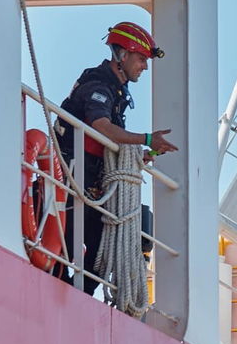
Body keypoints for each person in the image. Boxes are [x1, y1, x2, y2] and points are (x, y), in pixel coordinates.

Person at [55, 21, 177, 293]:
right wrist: (146, 138)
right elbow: (103, 128)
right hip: (75, 176)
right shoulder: (98, 84)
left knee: (100, 249)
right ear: (122, 55)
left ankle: (80, 297)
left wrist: (141, 155)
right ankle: (62, 289)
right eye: (141, 59)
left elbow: (109, 139)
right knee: (71, 240)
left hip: (92, 179)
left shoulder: (116, 89)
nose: (145, 66)